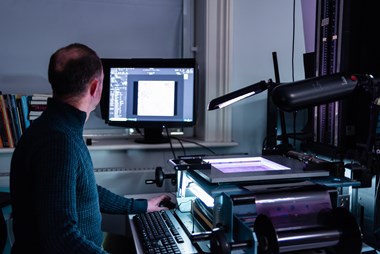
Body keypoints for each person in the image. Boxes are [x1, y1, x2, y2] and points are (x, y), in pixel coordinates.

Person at [9, 43, 172, 253]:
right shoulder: (58, 143)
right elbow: (61, 238)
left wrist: (142, 206)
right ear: (95, 88)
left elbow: (85, 191)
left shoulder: (56, 127)